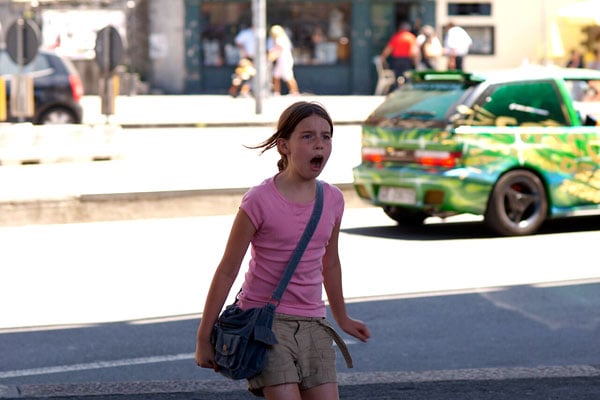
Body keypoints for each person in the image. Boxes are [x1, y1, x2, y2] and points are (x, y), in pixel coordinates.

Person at [195, 101, 371, 400]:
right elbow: (228, 269)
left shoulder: (333, 199)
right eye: (307, 136)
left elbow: (330, 263)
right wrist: (203, 336)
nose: (319, 144)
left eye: (326, 137)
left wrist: (342, 317)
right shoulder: (259, 200)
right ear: (283, 146)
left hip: (314, 324)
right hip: (265, 325)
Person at [268, 25, 300, 96]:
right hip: (280, 61)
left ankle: (295, 92)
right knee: (276, 76)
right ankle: (276, 92)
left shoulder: (281, 39)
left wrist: (272, 57)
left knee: (288, 76)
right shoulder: (277, 39)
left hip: (285, 60)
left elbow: (279, 50)